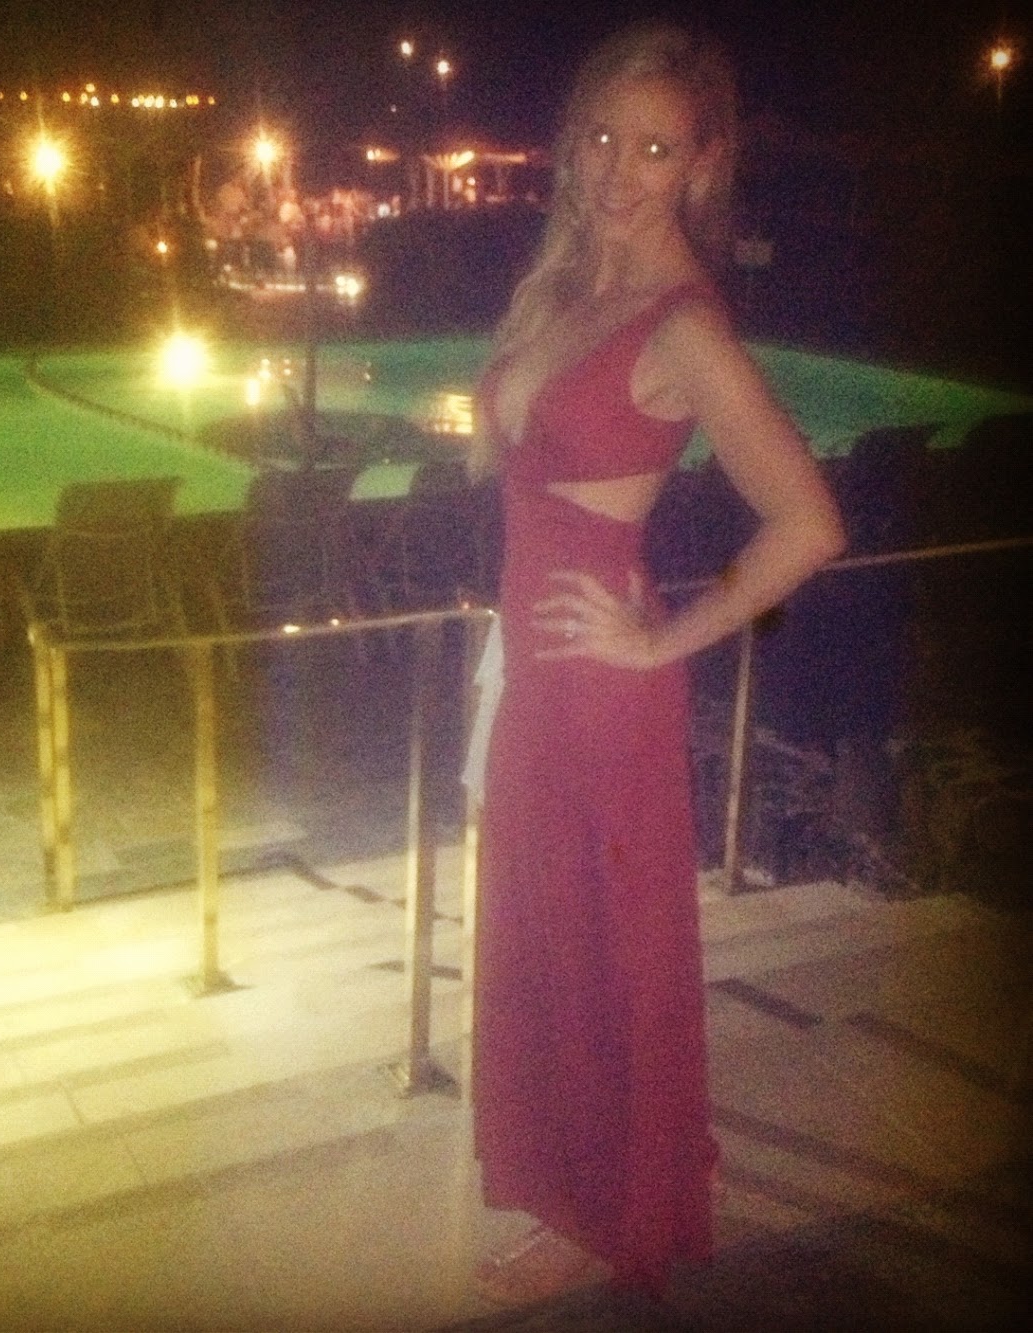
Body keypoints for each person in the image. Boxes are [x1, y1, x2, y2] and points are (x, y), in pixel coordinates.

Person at [468, 21, 846, 1306]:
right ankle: (586, 1175)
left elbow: (808, 524)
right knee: (544, 936)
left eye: (654, 148)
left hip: (600, 687)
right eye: (601, 137)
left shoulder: (684, 325)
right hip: (534, 671)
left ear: (702, 164)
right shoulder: (572, 289)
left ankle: (605, 1209)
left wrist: (658, 635)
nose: (617, 170)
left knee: (595, 950)